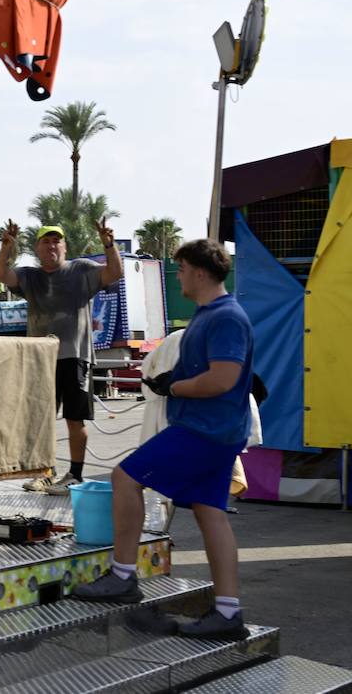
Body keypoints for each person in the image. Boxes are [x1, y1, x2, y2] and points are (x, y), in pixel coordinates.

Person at [71, 238, 254, 641]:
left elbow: (223, 378)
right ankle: (228, 611)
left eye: (184, 269)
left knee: (125, 478)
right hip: (217, 430)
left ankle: (122, 575)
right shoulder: (214, 313)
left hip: (203, 430)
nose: (181, 276)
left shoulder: (224, 317)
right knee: (210, 512)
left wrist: (175, 387)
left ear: (201, 272)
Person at [0, 219, 123, 494]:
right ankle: (45, 473)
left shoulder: (82, 270)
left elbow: (114, 273)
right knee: (41, 419)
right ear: (38, 249)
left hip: (75, 356)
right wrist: (6, 247)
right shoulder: (31, 276)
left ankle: (75, 475)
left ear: (64, 246)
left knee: (75, 419)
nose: (52, 245)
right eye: (46, 241)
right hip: (41, 359)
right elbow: (1, 274)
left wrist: (109, 244)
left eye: (57, 241)